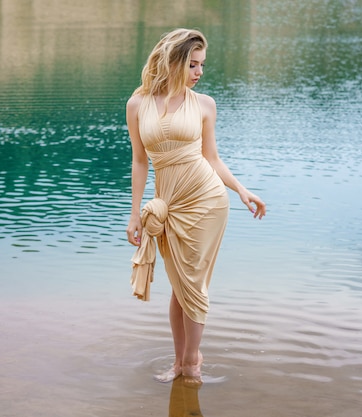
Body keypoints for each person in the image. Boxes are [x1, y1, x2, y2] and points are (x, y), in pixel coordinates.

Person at [126, 28, 266, 384]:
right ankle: (180, 360)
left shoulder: (204, 104)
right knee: (178, 285)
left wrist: (241, 190)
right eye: (192, 64)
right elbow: (140, 161)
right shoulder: (138, 103)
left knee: (194, 284)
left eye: (202, 65)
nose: (199, 72)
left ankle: (191, 364)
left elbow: (212, 158)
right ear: (173, 62)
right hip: (169, 204)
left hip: (206, 201)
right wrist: (134, 213)